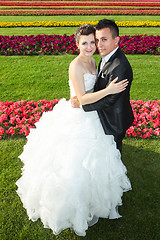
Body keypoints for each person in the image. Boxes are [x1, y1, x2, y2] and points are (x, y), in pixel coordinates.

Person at [16, 24, 131, 237]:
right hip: (78, 116)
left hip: (93, 113)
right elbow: (83, 98)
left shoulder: (94, 60)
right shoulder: (76, 65)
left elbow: (89, 95)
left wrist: (101, 93)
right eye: (85, 43)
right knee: (74, 160)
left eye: (93, 42)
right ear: (77, 44)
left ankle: (97, 197)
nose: (90, 47)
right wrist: (109, 90)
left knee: (98, 157)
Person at [72, 19, 134, 153]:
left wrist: (82, 105)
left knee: (113, 154)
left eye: (104, 39)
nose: (98, 45)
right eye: (97, 40)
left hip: (113, 119)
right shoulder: (104, 56)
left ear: (116, 40)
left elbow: (110, 99)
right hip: (98, 112)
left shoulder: (119, 66)